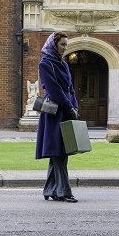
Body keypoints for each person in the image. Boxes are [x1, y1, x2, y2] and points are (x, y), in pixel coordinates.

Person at [36, 32, 80, 203]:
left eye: (65, 45)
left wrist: (74, 106)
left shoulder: (63, 63)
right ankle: (63, 192)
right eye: (62, 45)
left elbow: (70, 88)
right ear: (54, 45)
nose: (64, 48)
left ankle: (50, 189)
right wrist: (69, 106)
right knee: (58, 152)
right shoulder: (45, 63)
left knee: (62, 152)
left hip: (66, 110)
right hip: (54, 113)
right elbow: (54, 90)